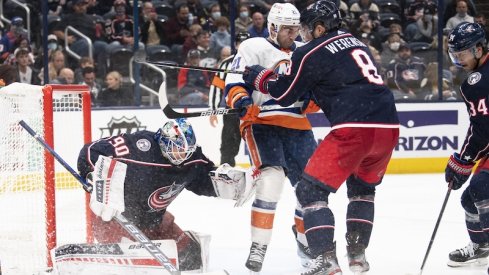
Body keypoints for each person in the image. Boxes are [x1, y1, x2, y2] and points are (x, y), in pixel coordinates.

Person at [242, 1, 400, 274]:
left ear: (319, 27)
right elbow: (336, 81)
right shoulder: (357, 42)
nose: (301, 35)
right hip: (388, 125)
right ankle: (357, 257)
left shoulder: (310, 51)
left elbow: (282, 92)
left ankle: (325, 259)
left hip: (354, 127)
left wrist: (259, 76)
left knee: (309, 192)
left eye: (305, 28)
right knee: (363, 190)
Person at [77, 118, 251, 271]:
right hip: (114, 220)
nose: (181, 155)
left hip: (155, 223)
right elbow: (90, 151)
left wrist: (236, 184)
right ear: (164, 141)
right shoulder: (139, 146)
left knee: (191, 257)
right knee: (131, 268)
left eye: (185, 150)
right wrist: (98, 184)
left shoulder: (192, 160)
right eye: (176, 149)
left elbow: (205, 181)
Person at [224, 3, 318, 272]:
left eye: (296, 29)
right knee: (270, 181)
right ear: (273, 27)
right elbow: (234, 82)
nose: (293, 34)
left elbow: (313, 93)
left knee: (310, 190)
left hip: (298, 127)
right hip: (262, 123)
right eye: (288, 29)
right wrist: (241, 100)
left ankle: (304, 241)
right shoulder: (252, 47)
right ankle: (259, 246)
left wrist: (311, 101)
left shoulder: (304, 52)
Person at [442, 22, 489, 268]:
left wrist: (463, 161)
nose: (458, 61)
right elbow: (479, 126)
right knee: (471, 199)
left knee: (482, 187)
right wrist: (464, 157)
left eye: (463, 54)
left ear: (479, 49)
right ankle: (481, 247)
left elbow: (483, 128)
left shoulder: (476, 83)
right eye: (455, 55)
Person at [208, 32, 250, 167]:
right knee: (229, 142)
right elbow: (216, 87)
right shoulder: (226, 63)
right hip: (232, 110)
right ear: (235, 45)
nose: (243, 46)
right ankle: (226, 168)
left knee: (258, 141)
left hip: (253, 110)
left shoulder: (258, 60)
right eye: (240, 43)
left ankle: (261, 171)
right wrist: (213, 109)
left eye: (246, 43)